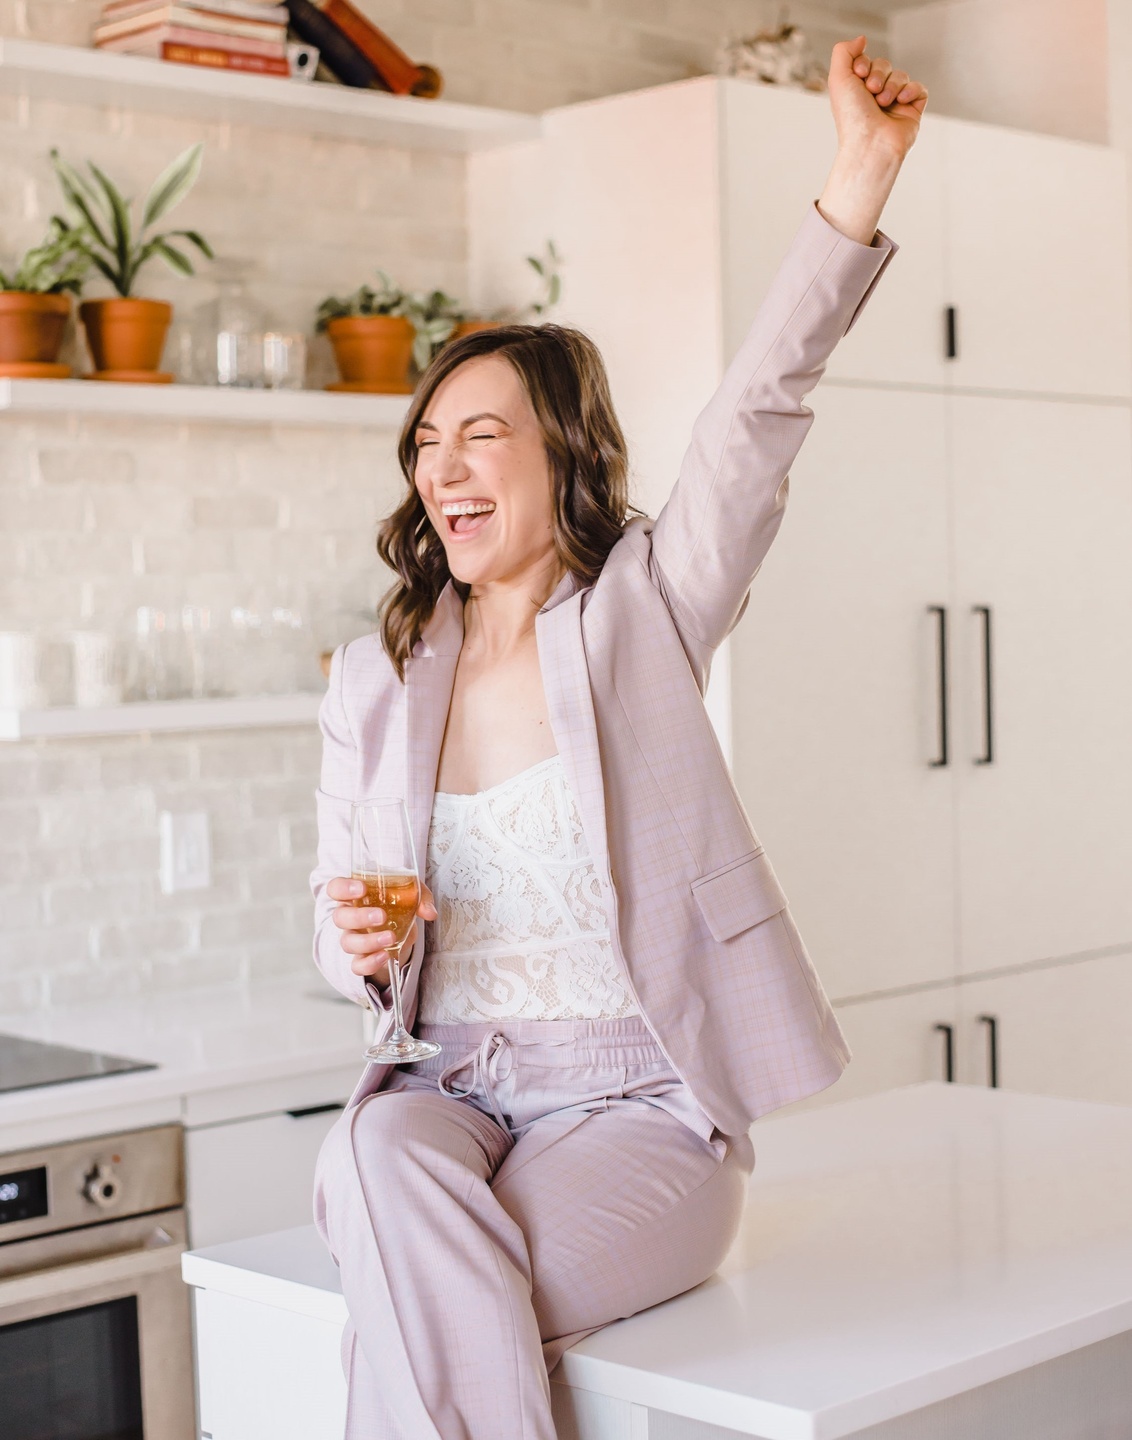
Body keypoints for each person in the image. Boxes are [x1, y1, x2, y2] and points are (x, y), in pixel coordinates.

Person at [310, 35, 927, 1440]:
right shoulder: (374, 680)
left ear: (561, 455)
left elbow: (755, 416)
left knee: (414, 1272)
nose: (443, 469)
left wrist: (858, 176)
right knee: (380, 1158)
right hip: (446, 1087)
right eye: (426, 444)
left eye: (481, 436)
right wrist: (356, 945)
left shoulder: (644, 612)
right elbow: (341, 936)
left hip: (642, 1105)